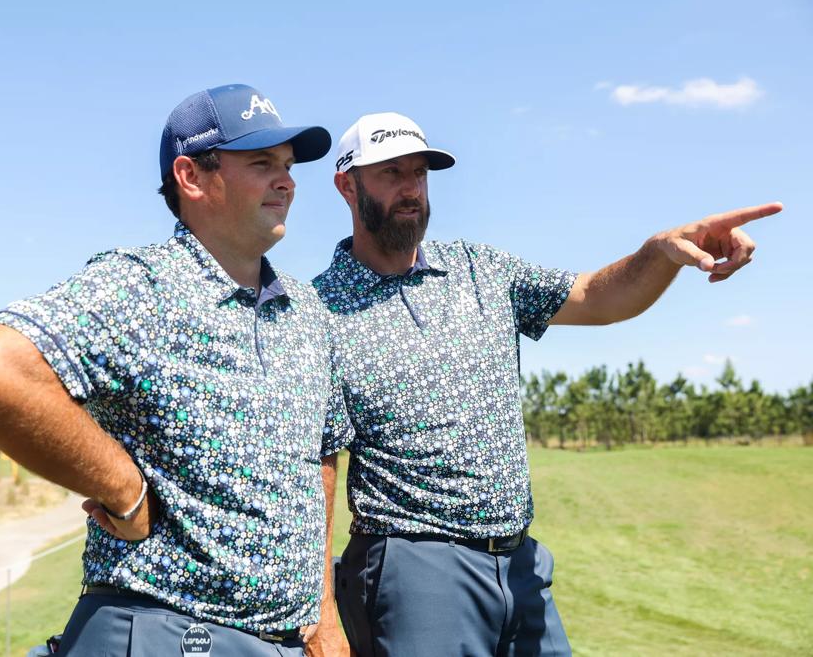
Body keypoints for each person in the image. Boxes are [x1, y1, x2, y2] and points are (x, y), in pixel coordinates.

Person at [313, 112, 781, 656]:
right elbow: (318, 471)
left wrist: (660, 252)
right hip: (415, 571)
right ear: (347, 185)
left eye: (420, 173)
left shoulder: (479, 268)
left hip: (521, 565)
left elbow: (597, 298)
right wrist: (322, 614)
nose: (411, 188)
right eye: (391, 172)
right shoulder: (318, 310)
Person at [0, 84, 351, 656]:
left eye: (287, 166)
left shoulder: (306, 311)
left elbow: (322, 454)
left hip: (283, 639)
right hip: (168, 631)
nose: (286, 181)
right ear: (190, 177)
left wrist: (322, 608)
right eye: (261, 163)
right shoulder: (143, 285)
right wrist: (124, 488)